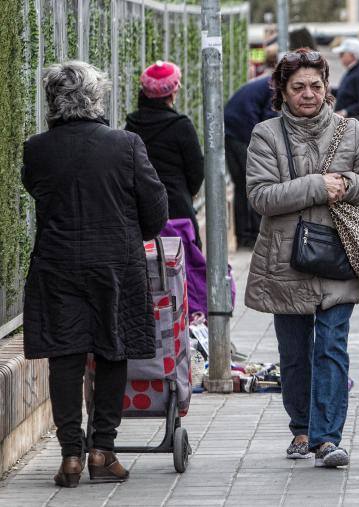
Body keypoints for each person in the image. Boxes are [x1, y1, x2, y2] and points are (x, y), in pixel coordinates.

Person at [22, 61, 168, 487]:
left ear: (52, 100)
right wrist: (125, 231)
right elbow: (155, 209)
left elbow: (39, 191)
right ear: (96, 97)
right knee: (112, 350)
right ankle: (103, 451)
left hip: (56, 263)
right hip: (115, 266)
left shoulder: (36, 148)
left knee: (64, 356)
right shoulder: (126, 144)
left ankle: (70, 456)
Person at [245, 48, 359, 468]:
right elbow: (260, 197)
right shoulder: (266, 135)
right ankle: (301, 428)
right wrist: (316, 186)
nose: (308, 94)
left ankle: (327, 438)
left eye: (316, 86)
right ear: (283, 92)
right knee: (294, 352)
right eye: (298, 87)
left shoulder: (351, 131)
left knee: (331, 347)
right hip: (285, 261)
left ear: (328, 89)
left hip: (338, 258)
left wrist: (345, 182)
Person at [125, 60, 203, 245]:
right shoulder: (181, 126)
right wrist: (190, 192)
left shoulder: (131, 125)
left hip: (141, 208)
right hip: (177, 206)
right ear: (173, 92)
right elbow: (196, 170)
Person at [224, 73, 279, 248]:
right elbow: (268, 120)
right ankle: (256, 236)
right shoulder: (274, 87)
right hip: (243, 133)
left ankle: (244, 236)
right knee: (257, 184)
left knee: (242, 187)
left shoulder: (268, 83)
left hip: (232, 132)